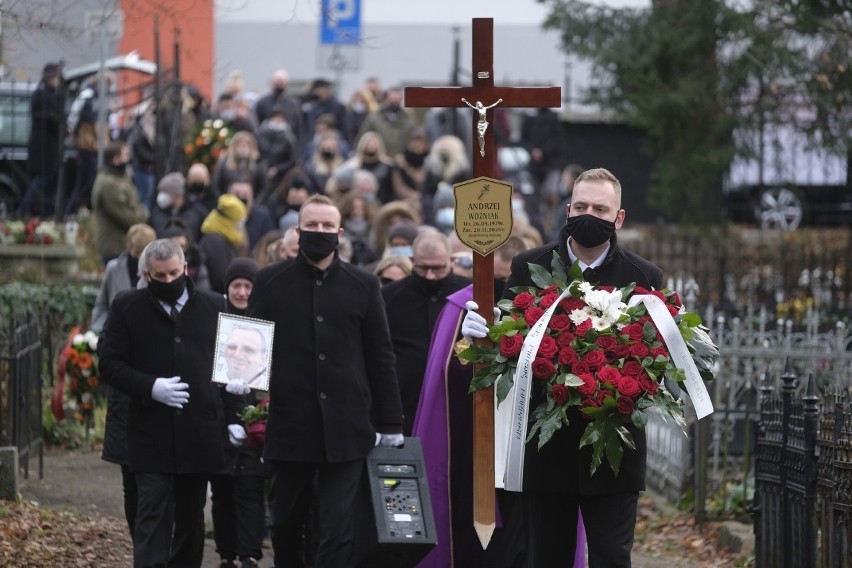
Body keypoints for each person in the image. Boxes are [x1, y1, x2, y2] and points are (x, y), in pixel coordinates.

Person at [462, 167, 663, 567]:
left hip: (614, 449)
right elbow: (507, 344)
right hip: (546, 448)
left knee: (611, 557)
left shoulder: (643, 277)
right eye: (582, 206)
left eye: (601, 208)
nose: (590, 215)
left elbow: (654, 360)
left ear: (618, 218)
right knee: (547, 558)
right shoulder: (528, 265)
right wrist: (480, 337)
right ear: (568, 209)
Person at [246, 194, 404, 567]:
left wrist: (391, 421)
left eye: (326, 226)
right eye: (311, 226)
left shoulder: (363, 284)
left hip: (347, 425)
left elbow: (380, 355)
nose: (319, 232)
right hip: (290, 424)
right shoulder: (269, 281)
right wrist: (241, 383)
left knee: (337, 529)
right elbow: (250, 342)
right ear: (298, 231)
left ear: (339, 231)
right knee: (284, 522)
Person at [98, 238, 228, 568]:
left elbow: (233, 359)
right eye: (160, 277)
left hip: (198, 431)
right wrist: (150, 386)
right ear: (146, 273)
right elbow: (109, 364)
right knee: (151, 514)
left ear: (186, 268)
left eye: (174, 273)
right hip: (150, 431)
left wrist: (236, 394)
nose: (168, 281)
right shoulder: (127, 306)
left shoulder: (214, 306)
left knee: (191, 517)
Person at [93, 223, 156, 538]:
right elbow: (101, 306)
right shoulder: (116, 272)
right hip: (124, 382)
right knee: (131, 479)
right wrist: (105, 332)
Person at [381, 229, 470, 435]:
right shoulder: (388, 297)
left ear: (452, 261)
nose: (430, 276)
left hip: (455, 398)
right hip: (405, 401)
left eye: (438, 268)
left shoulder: (469, 295)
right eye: (423, 268)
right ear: (412, 260)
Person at [210, 257, 268, 568]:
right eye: (237, 285)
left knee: (250, 489)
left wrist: (255, 414)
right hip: (220, 423)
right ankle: (226, 553)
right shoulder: (215, 322)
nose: (243, 292)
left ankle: (249, 553)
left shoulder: (266, 322)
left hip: (255, 424)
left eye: (248, 286)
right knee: (221, 491)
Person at [91, 140, 149, 265]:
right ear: (116, 159)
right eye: (125, 155)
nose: (128, 159)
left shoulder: (121, 177)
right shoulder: (108, 184)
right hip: (114, 245)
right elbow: (124, 215)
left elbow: (133, 204)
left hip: (123, 242)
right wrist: (145, 217)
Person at [18, 61, 64, 218]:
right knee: (41, 182)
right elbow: (50, 120)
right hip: (43, 148)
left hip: (49, 148)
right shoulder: (42, 95)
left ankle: (43, 213)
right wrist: (64, 128)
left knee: (49, 182)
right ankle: (24, 211)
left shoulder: (51, 94)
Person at [198, 193, 248, 294]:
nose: (240, 225)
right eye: (239, 221)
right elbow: (220, 278)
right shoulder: (213, 242)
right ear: (228, 221)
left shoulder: (224, 239)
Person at [148, 171, 207, 241]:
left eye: (165, 193)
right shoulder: (156, 212)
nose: (161, 197)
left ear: (177, 195)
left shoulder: (198, 213)